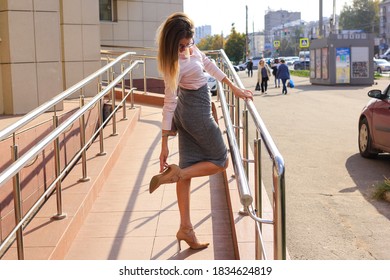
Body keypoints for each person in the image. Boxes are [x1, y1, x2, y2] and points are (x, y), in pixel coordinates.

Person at [150, 12, 253, 251]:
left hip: (188, 113)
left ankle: (186, 228)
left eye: (189, 43)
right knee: (221, 161)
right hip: (196, 114)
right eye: (181, 45)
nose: (186, 48)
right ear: (171, 44)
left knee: (184, 168)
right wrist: (164, 142)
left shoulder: (190, 48)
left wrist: (234, 87)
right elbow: (168, 102)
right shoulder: (173, 64)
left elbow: (208, 63)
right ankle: (176, 175)